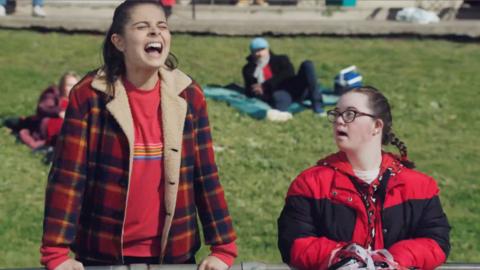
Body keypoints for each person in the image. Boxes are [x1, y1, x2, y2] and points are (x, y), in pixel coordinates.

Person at [40, 1, 237, 269]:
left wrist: (223, 248)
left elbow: (205, 175)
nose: (155, 33)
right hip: (101, 253)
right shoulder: (89, 95)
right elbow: (68, 176)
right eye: (142, 27)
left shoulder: (189, 95)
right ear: (119, 41)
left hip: (174, 254)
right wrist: (56, 253)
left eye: (162, 27)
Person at [277, 86, 450, 270]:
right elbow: (293, 242)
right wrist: (341, 257)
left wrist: (394, 259)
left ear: (377, 126)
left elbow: (437, 241)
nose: (339, 121)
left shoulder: (420, 186)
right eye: (336, 114)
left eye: (350, 114)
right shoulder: (311, 184)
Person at [242, 37, 325, 120]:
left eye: (262, 49)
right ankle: (284, 114)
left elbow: (287, 74)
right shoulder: (249, 69)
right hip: (278, 93)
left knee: (307, 64)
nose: (259, 53)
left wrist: (265, 85)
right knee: (279, 101)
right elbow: (251, 89)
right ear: (252, 53)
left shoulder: (281, 59)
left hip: (292, 86)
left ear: (267, 49)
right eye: (256, 51)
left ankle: (317, 106)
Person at [9, 71, 80, 150]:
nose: (73, 88)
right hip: (47, 126)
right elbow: (43, 108)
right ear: (62, 85)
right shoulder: (54, 94)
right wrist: (59, 112)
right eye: (69, 85)